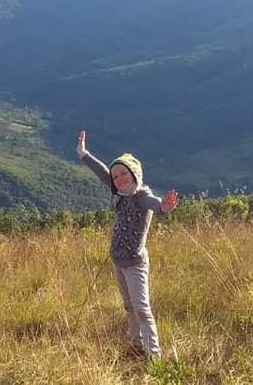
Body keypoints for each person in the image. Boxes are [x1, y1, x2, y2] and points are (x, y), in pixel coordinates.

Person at [76, 129, 179, 360]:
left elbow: (155, 205)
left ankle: (154, 356)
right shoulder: (121, 194)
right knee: (129, 306)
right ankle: (137, 345)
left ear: (135, 174)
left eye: (124, 174)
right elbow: (104, 173)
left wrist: (165, 207)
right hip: (118, 262)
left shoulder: (141, 195)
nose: (119, 178)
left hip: (135, 264)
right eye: (116, 176)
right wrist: (84, 154)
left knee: (142, 308)